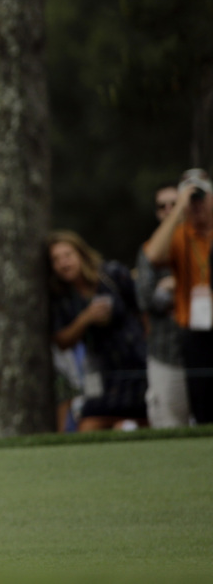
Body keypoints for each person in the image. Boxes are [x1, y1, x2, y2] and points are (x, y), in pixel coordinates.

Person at [47, 230, 148, 431]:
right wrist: (86, 318)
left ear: (81, 254)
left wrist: (148, 343)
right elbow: (62, 340)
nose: (63, 263)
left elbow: (142, 309)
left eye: (67, 255)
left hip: (136, 362)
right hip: (100, 370)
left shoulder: (112, 274)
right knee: (89, 424)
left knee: (140, 422)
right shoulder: (63, 297)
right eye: (56, 259)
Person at [143, 168, 213, 423]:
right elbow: (152, 256)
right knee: (203, 410)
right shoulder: (179, 234)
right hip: (194, 333)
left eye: (201, 197)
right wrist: (178, 209)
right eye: (191, 198)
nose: (196, 204)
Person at [136, 181, 190, 427]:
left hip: (202, 350)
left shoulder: (201, 241)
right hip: (166, 353)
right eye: (163, 206)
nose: (170, 210)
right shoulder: (150, 248)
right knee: (168, 423)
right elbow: (146, 300)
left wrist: (176, 284)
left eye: (175, 203)